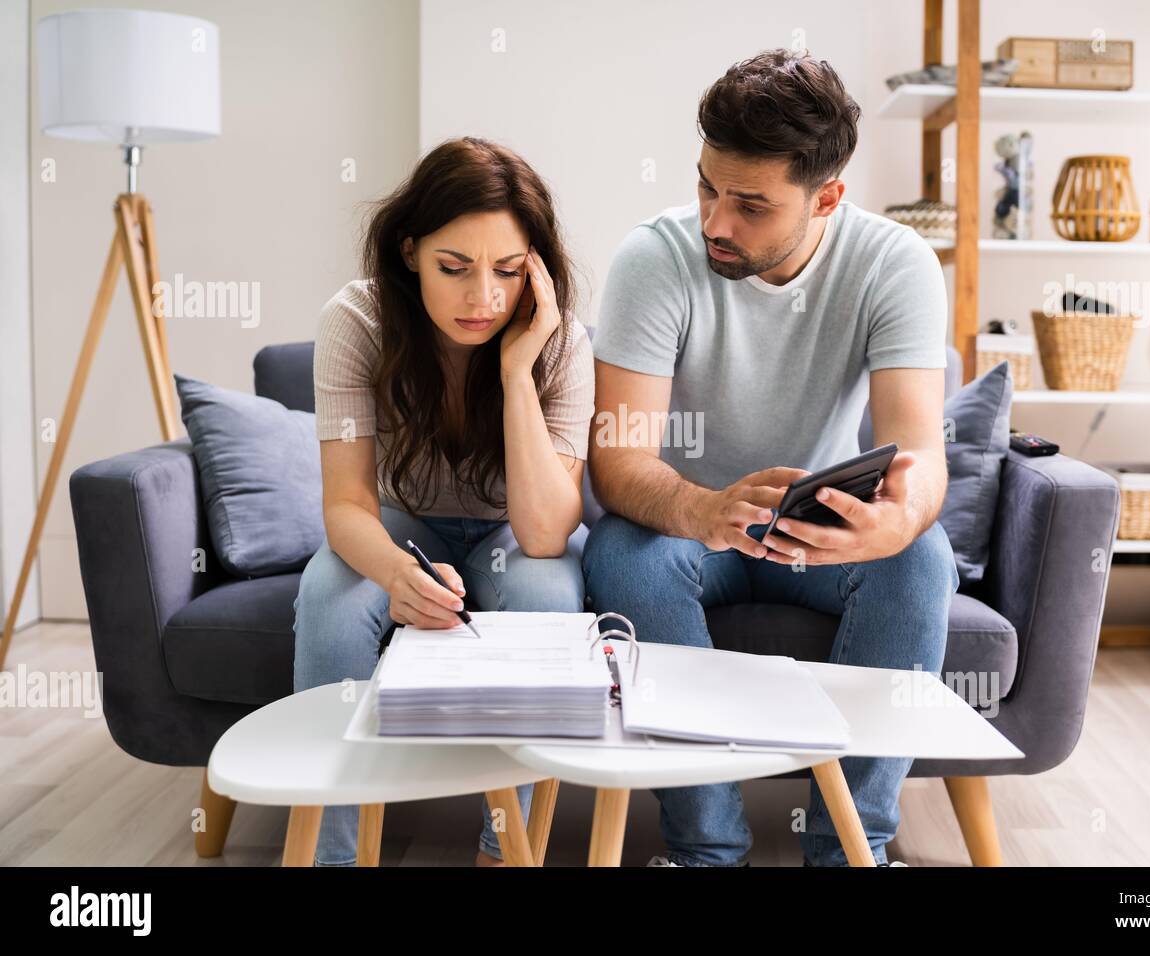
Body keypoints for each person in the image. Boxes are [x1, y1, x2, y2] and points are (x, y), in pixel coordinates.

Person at [583, 49, 959, 867]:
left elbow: (921, 452)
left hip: (814, 533)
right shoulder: (654, 258)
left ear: (827, 196)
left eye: (751, 205)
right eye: (707, 188)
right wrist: (704, 509)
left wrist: (894, 521)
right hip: (686, 526)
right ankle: (707, 849)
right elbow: (617, 462)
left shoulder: (894, 264)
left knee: (921, 559)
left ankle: (853, 848)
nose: (718, 222)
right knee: (624, 557)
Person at [294, 137, 594, 866]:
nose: (482, 298)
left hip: (511, 533)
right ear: (408, 252)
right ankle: (335, 856)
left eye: (508, 270)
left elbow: (549, 533)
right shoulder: (356, 322)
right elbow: (346, 508)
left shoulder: (560, 343)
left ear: (537, 268)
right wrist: (399, 576)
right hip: (401, 522)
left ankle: (505, 851)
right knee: (329, 601)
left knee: (548, 597)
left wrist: (519, 373)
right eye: (453, 268)